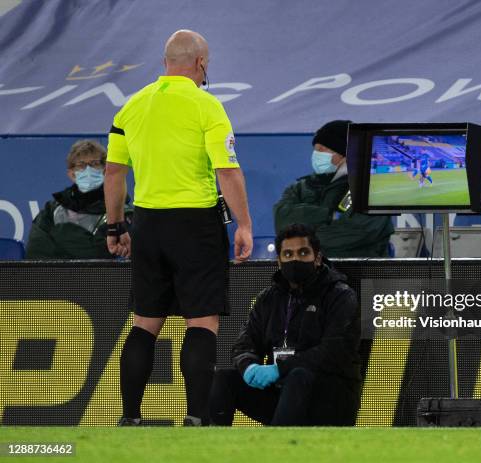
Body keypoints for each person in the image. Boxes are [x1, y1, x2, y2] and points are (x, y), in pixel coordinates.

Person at [104, 29, 253, 426]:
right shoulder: (207, 106)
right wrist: (244, 224)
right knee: (202, 321)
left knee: (145, 323)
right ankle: (196, 418)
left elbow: (114, 172)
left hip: (148, 222)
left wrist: (116, 225)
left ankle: (130, 418)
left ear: (165, 62)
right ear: (202, 63)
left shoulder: (131, 107)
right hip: (195, 223)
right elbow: (227, 170)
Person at [209, 223, 362, 426]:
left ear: (317, 258)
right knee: (224, 378)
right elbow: (244, 345)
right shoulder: (268, 299)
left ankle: (278, 451)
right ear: (279, 262)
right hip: (281, 393)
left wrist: (280, 369)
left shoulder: (340, 295)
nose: (295, 259)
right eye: (288, 255)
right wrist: (249, 366)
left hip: (330, 399)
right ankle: (214, 449)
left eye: (303, 253)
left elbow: (334, 352)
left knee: (298, 376)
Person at [273, 120, 394, 257]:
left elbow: (355, 232)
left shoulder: (373, 189)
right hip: (311, 274)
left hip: (362, 273)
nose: (316, 154)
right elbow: (281, 221)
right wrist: (329, 215)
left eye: (322, 149)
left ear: (343, 154)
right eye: (315, 149)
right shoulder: (300, 187)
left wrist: (304, 243)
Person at [25, 140, 132, 259]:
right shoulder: (52, 210)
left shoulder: (119, 211)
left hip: (100, 277)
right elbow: (35, 251)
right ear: (72, 174)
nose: (88, 170)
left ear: (105, 170)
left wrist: (58, 234)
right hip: (54, 277)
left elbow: (100, 254)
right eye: (81, 165)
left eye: (94, 163)